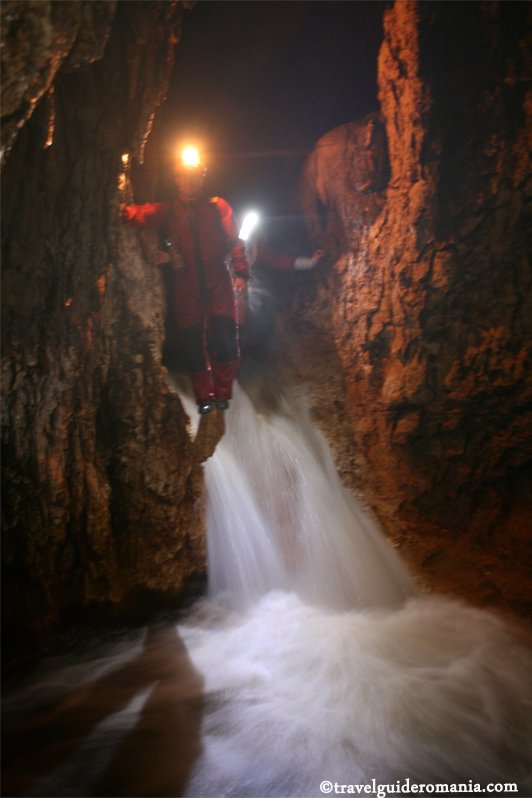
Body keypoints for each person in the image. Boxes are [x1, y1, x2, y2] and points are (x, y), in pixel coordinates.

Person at [122, 147, 250, 414]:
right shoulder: (170, 211)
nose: (190, 182)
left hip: (217, 276)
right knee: (191, 342)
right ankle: (205, 396)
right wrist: (119, 210)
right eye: (184, 176)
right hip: (186, 280)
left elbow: (234, 241)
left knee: (226, 337)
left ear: (202, 179)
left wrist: (241, 274)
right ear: (177, 179)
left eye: (194, 176)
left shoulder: (217, 207)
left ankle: (223, 392)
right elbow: (143, 214)